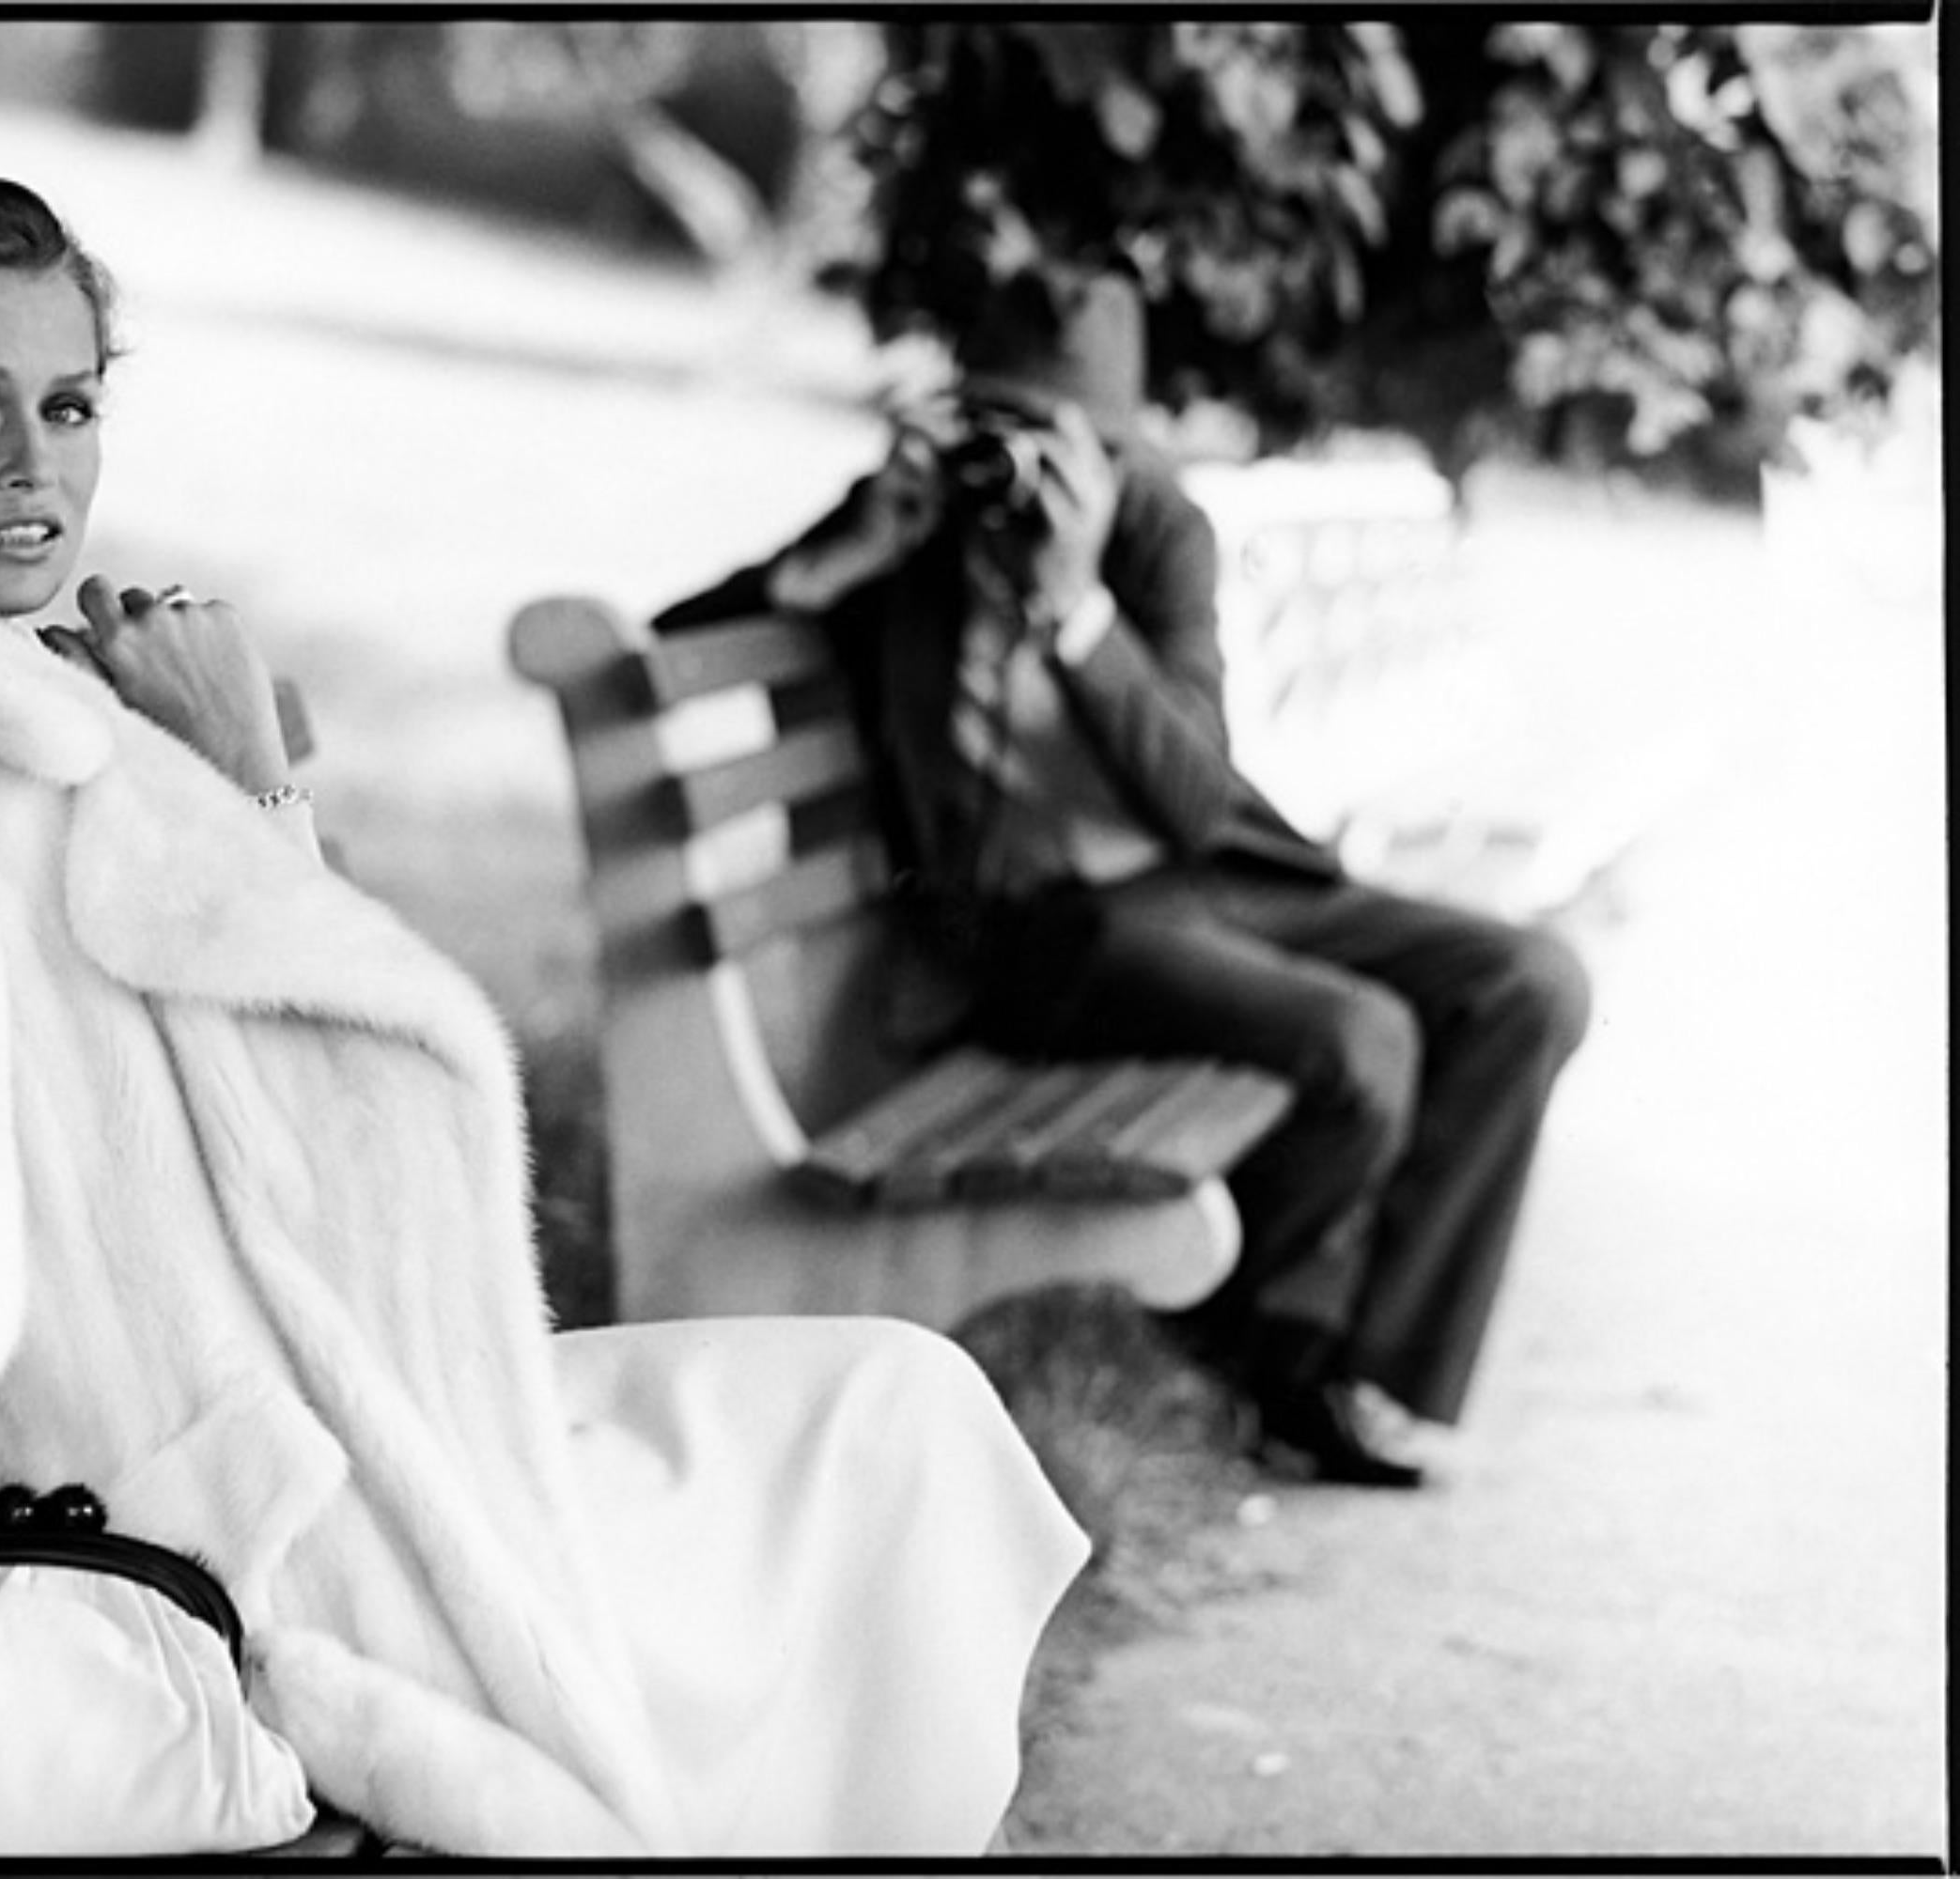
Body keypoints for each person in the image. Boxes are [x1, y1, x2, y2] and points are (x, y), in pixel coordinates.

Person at [0, 177, 1085, 1856]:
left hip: (317, 1408)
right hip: (249, 1510)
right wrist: (252, 784)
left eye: (71, 404)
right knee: (874, 1446)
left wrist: (244, 790)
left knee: (892, 1407)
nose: (38, 469)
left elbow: (286, 1119)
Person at [656, 269, 1593, 1491]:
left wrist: (1077, 612)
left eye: (1061, 439)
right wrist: (836, 567)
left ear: (1116, 443)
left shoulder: (1154, 530)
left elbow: (1195, 795)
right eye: (996, 423)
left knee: (1532, 980)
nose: (1022, 468)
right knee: (1361, 1043)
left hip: (1212, 876)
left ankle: (1369, 1362)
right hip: (1041, 930)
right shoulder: (907, 524)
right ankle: (1281, 1360)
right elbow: (665, 652)